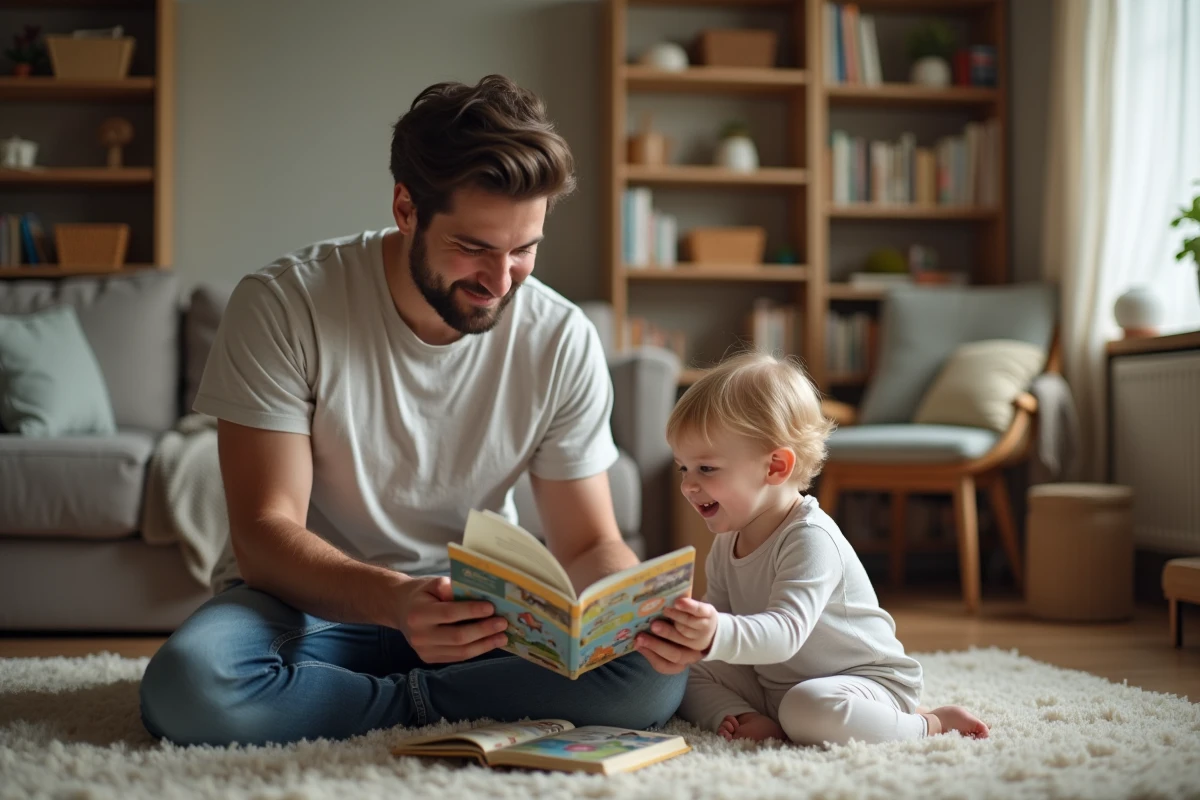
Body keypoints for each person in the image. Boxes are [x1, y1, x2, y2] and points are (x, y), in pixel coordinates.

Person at [138, 74, 685, 746]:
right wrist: (396, 601)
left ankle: (359, 710)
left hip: (484, 616)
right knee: (189, 684)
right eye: (474, 248)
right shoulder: (285, 304)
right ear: (406, 207)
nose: (499, 281)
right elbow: (263, 535)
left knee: (652, 678)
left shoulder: (560, 336)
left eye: (524, 250)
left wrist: (634, 613)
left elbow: (586, 543)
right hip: (305, 613)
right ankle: (455, 712)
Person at [633, 351, 990, 746]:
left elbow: (785, 632)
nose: (687, 485)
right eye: (684, 468)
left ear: (775, 468)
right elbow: (727, 625)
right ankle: (747, 717)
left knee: (806, 708)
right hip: (777, 684)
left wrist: (714, 632)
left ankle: (929, 723)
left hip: (862, 681)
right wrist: (686, 632)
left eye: (706, 468)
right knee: (687, 669)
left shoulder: (809, 537)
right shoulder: (726, 542)